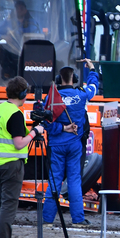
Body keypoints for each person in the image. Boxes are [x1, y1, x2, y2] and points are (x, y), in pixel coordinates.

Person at [42, 59, 98, 227]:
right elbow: (94, 86)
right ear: (74, 79)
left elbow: (45, 123)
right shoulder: (82, 94)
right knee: (74, 181)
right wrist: (92, 69)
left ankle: (47, 220)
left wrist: (62, 128)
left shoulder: (51, 98)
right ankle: (78, 219)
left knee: (54, 181)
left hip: (56, 146)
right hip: (75, 146)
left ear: (59, 80)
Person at [0, 76, 45, 238]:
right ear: (23, 94)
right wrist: (35, 132)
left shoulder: (0, 108)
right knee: (8, 206)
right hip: (11, 166)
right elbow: (19, 143)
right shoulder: (15, 114)